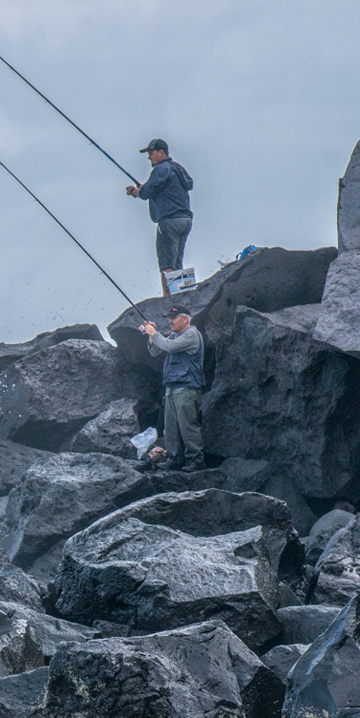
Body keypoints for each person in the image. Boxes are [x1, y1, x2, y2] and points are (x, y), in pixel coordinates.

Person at [125, 138, 195, 296]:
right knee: (177, 262)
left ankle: (167, 300)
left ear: (161, 152)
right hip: (185, 220)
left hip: (169, 221)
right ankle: (181, 296)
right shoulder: (177, 168)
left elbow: (145, 193)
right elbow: (188, 184)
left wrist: (135, 192)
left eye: (151, 153)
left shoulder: (161, 169)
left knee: (166, 264)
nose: (149, 157)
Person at [140, 305, 204, 471]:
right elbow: (155, 352)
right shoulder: (174, 335)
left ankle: (196, 460)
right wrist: (151, 336)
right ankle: (174, 459)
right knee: (171, 428)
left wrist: (156, 333)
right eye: (169, 318)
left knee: (188, 426)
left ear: (184, 318)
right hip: (171, 389)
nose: (170, 321)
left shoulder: (191, 334)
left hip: (186, 389)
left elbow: (170, 347)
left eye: (173, 318)